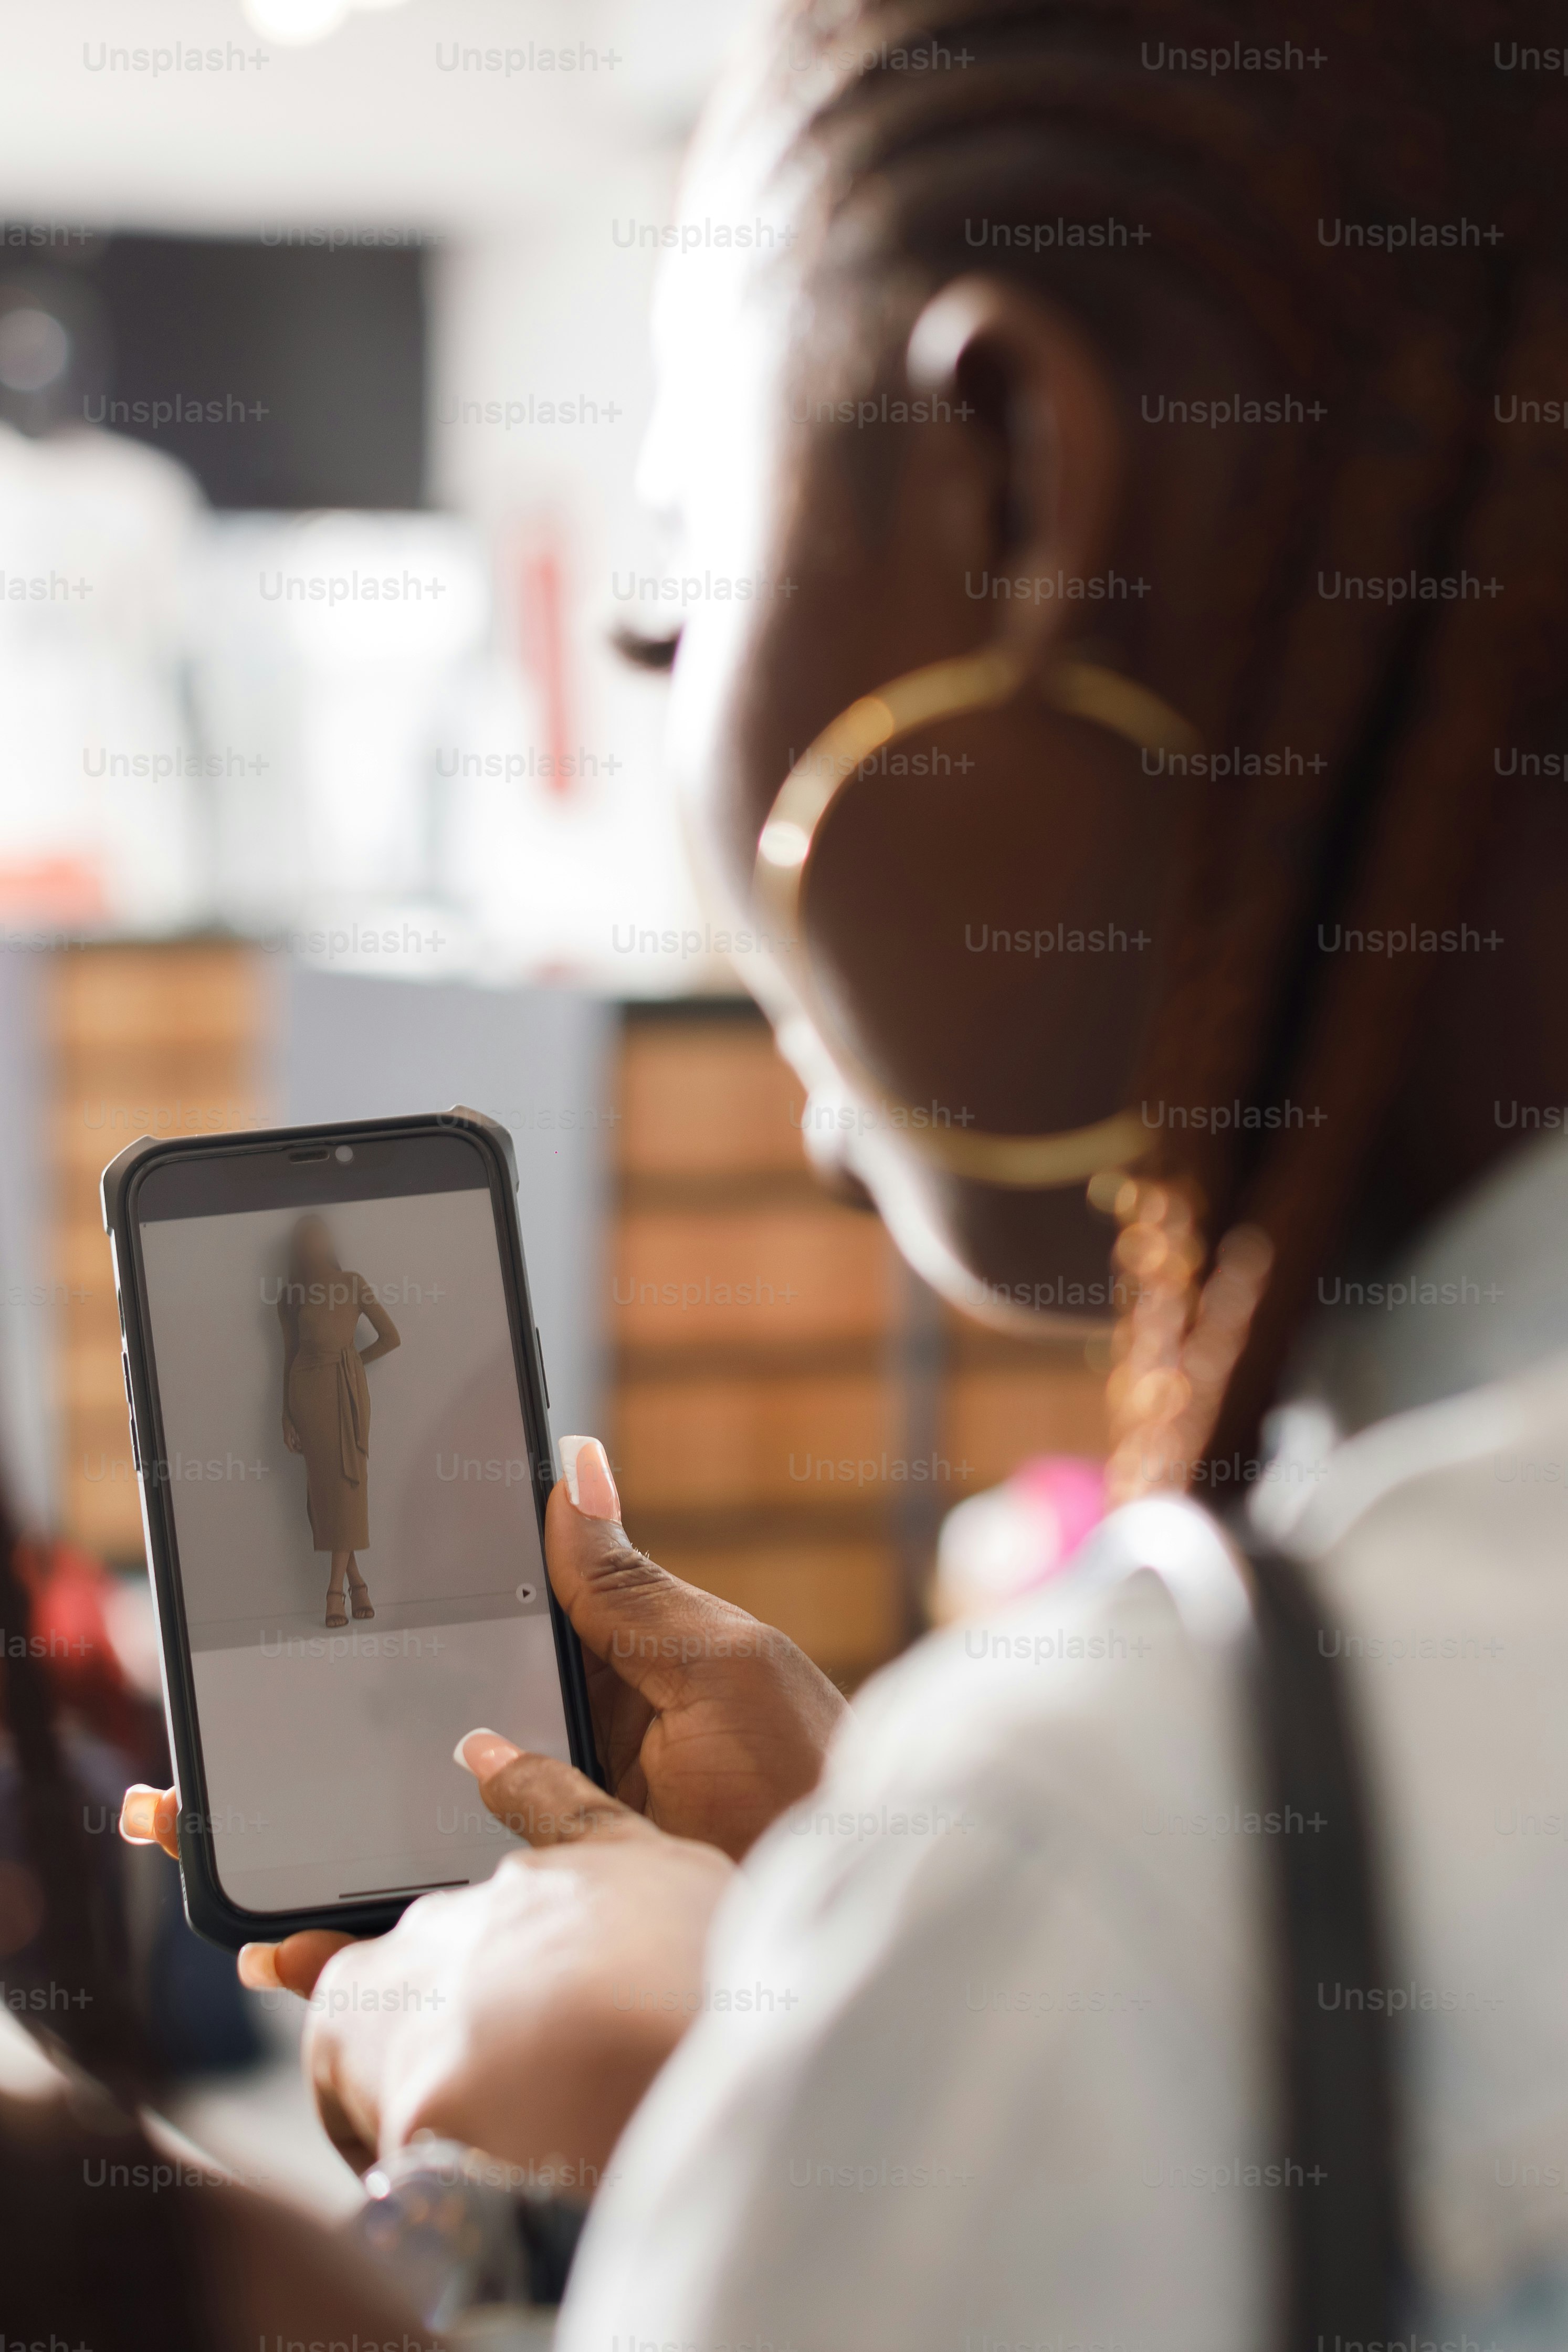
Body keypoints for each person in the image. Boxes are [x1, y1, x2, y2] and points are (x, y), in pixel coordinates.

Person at [123, 0, 1568, 2346]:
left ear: (1012, 492)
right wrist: (838, 1886)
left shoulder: (1111, 1877)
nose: (663, 660)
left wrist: (611, 2126)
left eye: (681, 558)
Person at [277, 1213, 401, 1628]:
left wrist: (351, 1364)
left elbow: (391, 1336)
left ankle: (335, 1593)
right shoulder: (291, 1295)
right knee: (324, 1492)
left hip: (345, 1393)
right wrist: (285, 1414)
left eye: (319, 1236)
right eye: (306, 1238)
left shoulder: (352, 1282)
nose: (314, 1243)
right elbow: (288, 1355)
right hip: (306, 1395)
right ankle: (356, 1583)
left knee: (348, 1489)